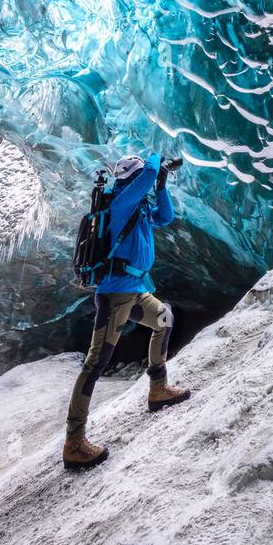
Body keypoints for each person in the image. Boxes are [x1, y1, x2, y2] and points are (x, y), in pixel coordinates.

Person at [63, 150, 191, 470]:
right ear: (130, 180)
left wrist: (161, 184)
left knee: (164, 317)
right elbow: (146, 173)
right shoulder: (120, 202)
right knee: (96, 363)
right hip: (115, 295)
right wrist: (156, 161)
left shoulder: (138, 207)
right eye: (140, 180)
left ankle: (158, 388)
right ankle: (74, 442)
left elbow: (166, 217)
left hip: (135, 291)